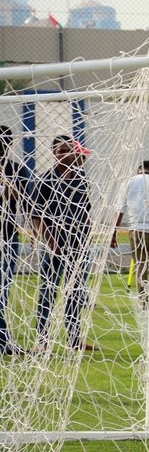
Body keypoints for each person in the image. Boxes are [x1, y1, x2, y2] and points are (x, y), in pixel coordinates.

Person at [30, 135, 96, 351]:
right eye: (61, 151)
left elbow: (86, 210)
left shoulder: (80, 178)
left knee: (76, 292)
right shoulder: (45, 180)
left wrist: (86, 236)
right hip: (53, 245)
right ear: (54, 153)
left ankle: (74, 339)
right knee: (48, 290)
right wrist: (51, 243)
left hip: (77, 245)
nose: (66, 154)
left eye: (69, 150)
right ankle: (42, 339)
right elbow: (36, 217)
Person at [0, 126, 28, 355]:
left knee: (3, 288)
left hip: (7, 235)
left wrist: (6, 182)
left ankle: (2, 338)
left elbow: (22, 200)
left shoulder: (15, 169)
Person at [114, 161, 149, 305]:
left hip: (135, 229)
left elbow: (120, 210)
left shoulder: (129, 182)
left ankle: (144, 300)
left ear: (138, 170)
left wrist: (113, 233)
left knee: (141, 265)